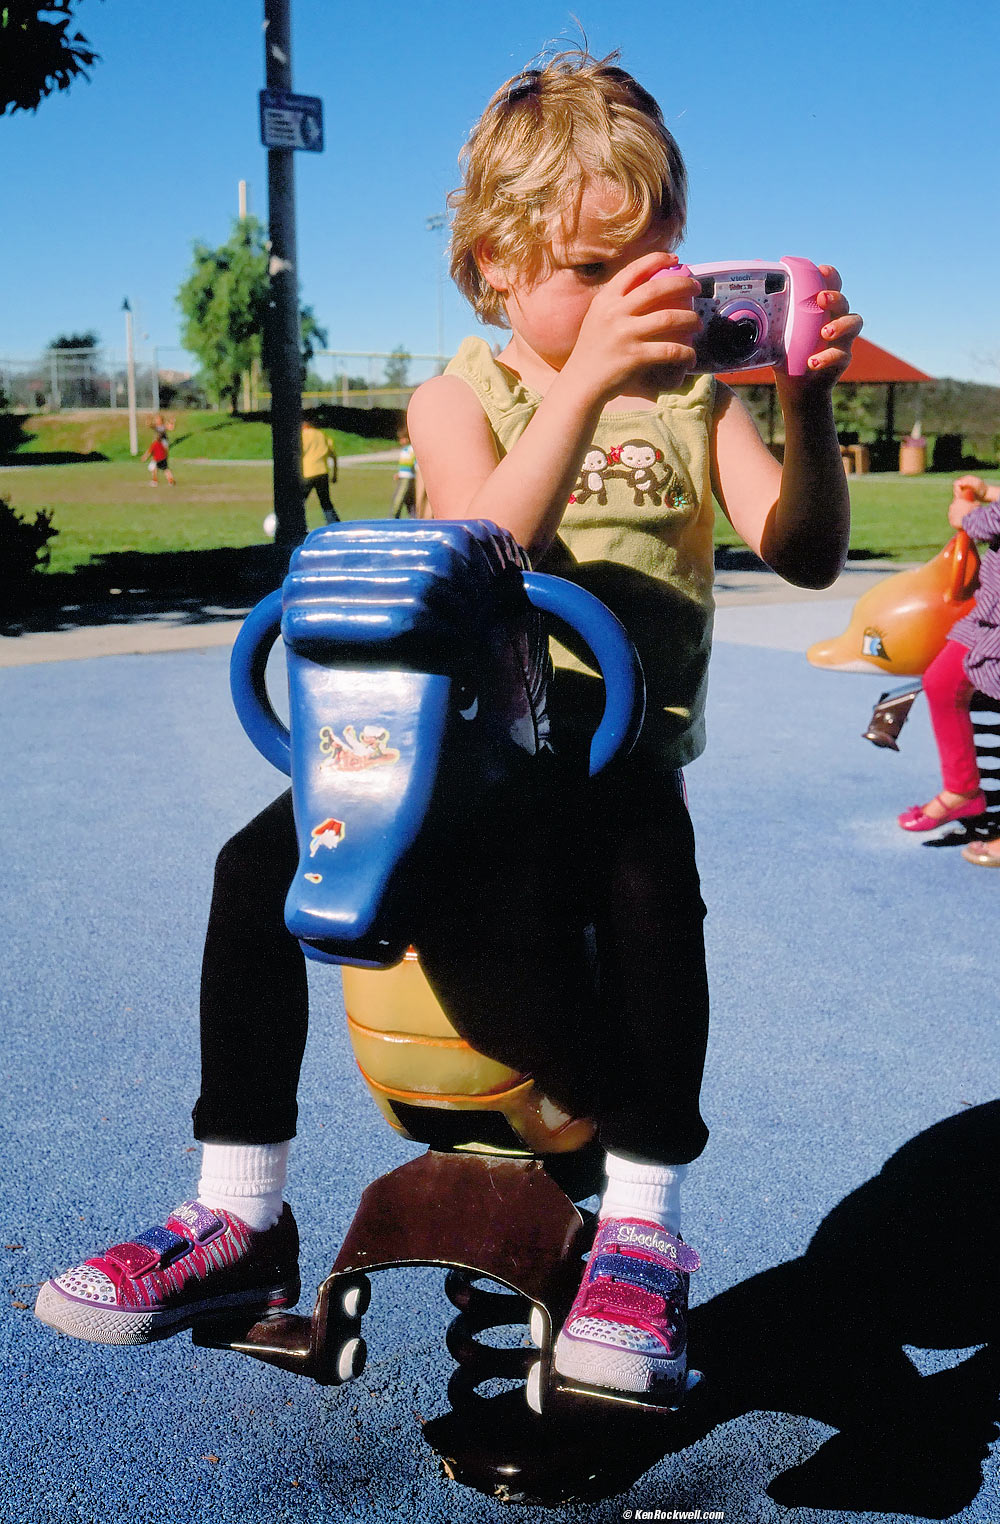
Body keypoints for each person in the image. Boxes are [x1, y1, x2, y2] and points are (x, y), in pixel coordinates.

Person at [35, 51, 861, 1406]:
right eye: (593, 273)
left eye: (654, 260)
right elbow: (478, 547)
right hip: (463, 760)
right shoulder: (458, 396)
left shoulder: (699, 405)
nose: (632, 300)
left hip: (613, 766)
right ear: (492, 265)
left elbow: (809, 551)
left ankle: (644, 1228)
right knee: (256, 866)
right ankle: (239, 1212)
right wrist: (586, 384)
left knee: (654, 879)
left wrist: (806, 408)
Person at [897, 476, 1000, 866]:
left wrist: (972, 518)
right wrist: (991, 493)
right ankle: (962, 789)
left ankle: (964, 791)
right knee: (943, 681)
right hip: (991, 612)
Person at [301, 412, 339, 523]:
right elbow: (333, 455)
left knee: (300, 502)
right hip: (322, 472)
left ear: (304, 424)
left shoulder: (303, 435)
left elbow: (297, 454)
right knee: (325, 501)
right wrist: (335, 474)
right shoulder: (322, 435)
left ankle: (295, 524)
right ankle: (334, 524)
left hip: (308, 473)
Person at [390, 426, 417, 517]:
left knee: (399, 498)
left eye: (402, 439)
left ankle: (394, 516)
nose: (401, 441)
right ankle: (413, 516)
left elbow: (415, 463)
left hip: (408, 478)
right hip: (403, 477)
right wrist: (399, 474)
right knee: (408, 499)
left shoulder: (411, 450)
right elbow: (404, 466)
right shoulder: (404, 450)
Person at [142, 414, 176, 486]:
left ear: (161, 420)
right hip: (158, 446)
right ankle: (168, 480)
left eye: (157, 419)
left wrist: (172, 422)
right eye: (155, 419)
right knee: (161, 465)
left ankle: (155, 481)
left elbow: (171, 428)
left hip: (162, 446)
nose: (156, 420)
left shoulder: (163, 426)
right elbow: (149, 425)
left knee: (157, 464)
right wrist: (148, 419)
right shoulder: (156, 427)